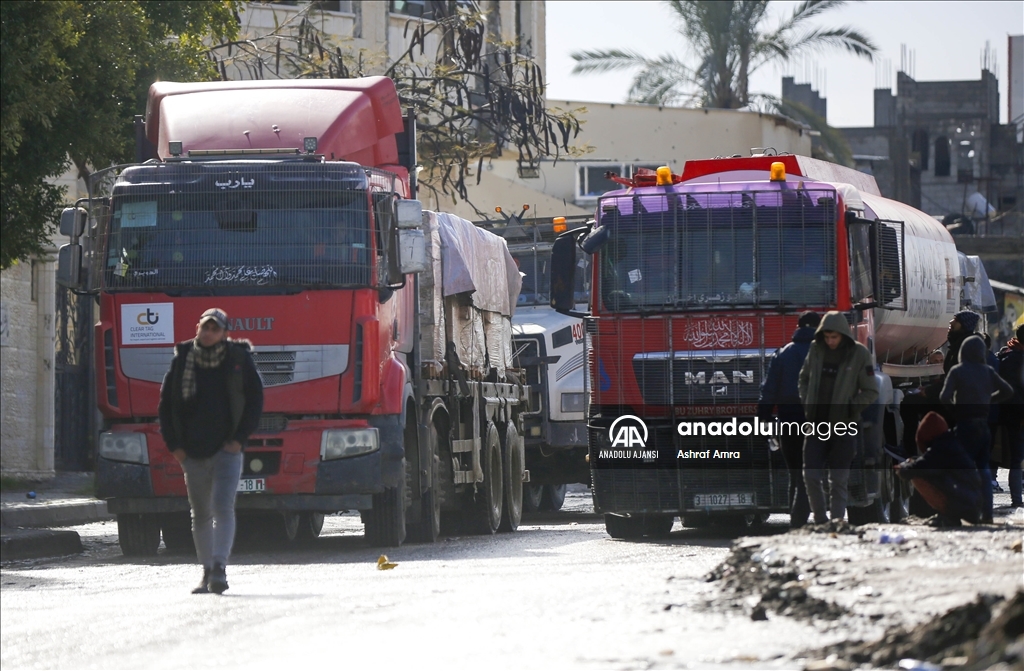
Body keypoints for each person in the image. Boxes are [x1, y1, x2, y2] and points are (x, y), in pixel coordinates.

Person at [158, 308, 263, 594]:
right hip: (191, 453)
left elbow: (255, 401)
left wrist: (239, 439)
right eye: (205, 327)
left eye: (215, 329)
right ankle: (206, 572)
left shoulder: (238, 360)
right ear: (197, 328)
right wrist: (176, 448)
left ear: (224, 333)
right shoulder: (182, 361)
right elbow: (166, 408)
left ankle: (219, 568)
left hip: (226, 450)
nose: (209, 333)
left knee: (222, 507)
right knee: (201, 513)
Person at [798, 311, 879, 524]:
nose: (830, 341)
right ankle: (820, 519)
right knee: (811, 475)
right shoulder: (816, 350)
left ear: (843, 334)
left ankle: (836, 520)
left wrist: (851, 408)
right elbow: (804, 378)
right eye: (827, 337)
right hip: (815, 424)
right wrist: (808, 402)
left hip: (843, 426)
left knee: (838, 479)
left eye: (834, 337)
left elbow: (871, 390)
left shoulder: (858, 354)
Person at [939, 335, 1013, 524]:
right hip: (983, 424)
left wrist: (955, 409)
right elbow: (1007, 391)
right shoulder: (988, 371)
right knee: (984, 470)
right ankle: (987, 514)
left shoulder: (957, 371)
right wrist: (988, 401)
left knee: (959, 468)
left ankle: (955, 514)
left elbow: (944, 397)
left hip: (964, 424)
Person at [757, 311, 820, 528]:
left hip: (788, 420)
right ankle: (800, 521)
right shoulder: (824, 353)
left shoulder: (782, 354)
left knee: (795, 473)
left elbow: (768, 391)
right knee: (811, 471)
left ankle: (796, 521)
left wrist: (763, 420)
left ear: (798, 326)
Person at [895, 411, 984, 527]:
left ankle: (949, 516)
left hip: (965, 505)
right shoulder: (949, 444)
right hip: (971, 503)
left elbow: (916, 468)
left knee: (918, 475)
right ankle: (949, 515)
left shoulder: (940, 449)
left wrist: (901, 468)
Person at [996, 323, 1024, 508]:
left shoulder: (1005, 357)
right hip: (1020, 415)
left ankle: (1016, 500)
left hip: (1009, 414)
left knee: (1016, 458)